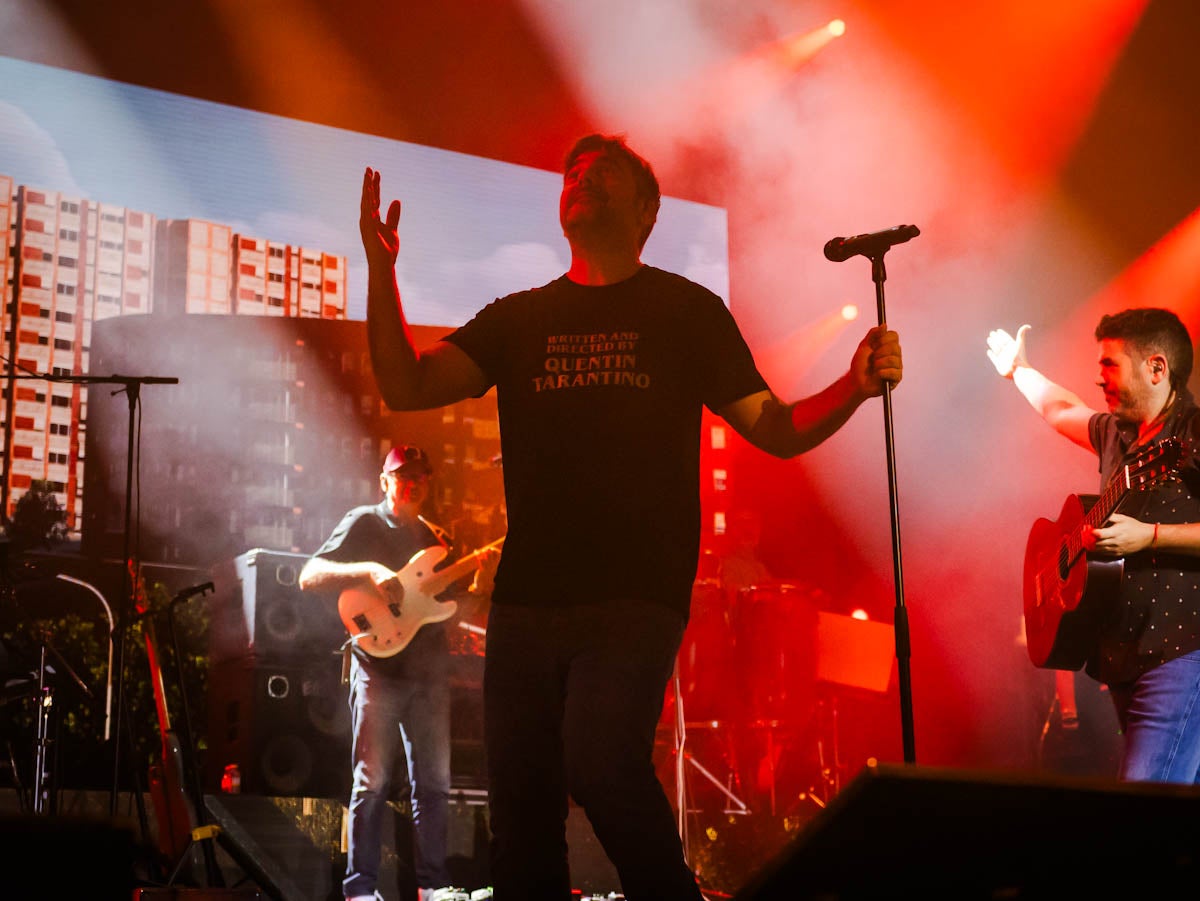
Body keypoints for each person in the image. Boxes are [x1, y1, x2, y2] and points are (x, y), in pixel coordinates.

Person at [360, 133, 903, 900]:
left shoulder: (685, 311)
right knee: (521, 811)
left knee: (600, 759)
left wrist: (851, 384)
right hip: (526, 599)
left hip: (634, 594)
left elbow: (775, 429)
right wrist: (382, 273)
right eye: (571, 171)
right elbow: (406, 385)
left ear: (647, 211)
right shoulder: (519, 318)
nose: (580, 177)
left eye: (602, 170)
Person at [987, 309, 1200, 784]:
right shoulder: (1116, 435)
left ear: (1156, 367)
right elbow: (1060, 408)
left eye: (1110, 364)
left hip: (1183, 652)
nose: (1098, 376)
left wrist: (1152, 536)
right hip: (1128, 657)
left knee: (1145, 803)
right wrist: (1019, 370)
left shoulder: (1191, 433)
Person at [298, 445, 491, 901]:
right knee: (372, 780)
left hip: (427, 674)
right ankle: (360, 890)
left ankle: (433, 887)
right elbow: (308, 574)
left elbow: (452, 610)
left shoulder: (436, 538)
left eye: (420, 476)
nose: (412, 483)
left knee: (435, 785)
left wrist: (481, 585)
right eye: (402, 475)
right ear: (384, 481)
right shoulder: (364, 521)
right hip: (376, 669)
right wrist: (367, 570)